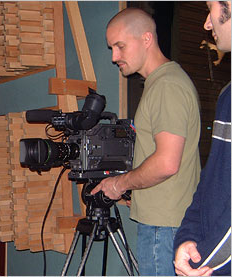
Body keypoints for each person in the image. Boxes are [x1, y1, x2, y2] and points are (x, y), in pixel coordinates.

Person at [90, 7, 201, 276]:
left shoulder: (166, 86)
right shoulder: (160, 84)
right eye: (111, 48)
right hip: (164, 223)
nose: (114, 57)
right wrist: (134, 192)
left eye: (120, 46)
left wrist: (119, 184)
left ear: (147, 39)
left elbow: (166, 163)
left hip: (165, 228)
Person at [173, 1, 231, 276]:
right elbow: (212, 179)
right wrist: (188, 236)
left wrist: (206, 261)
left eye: (212, 8)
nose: (208, 23)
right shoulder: (227, 96)